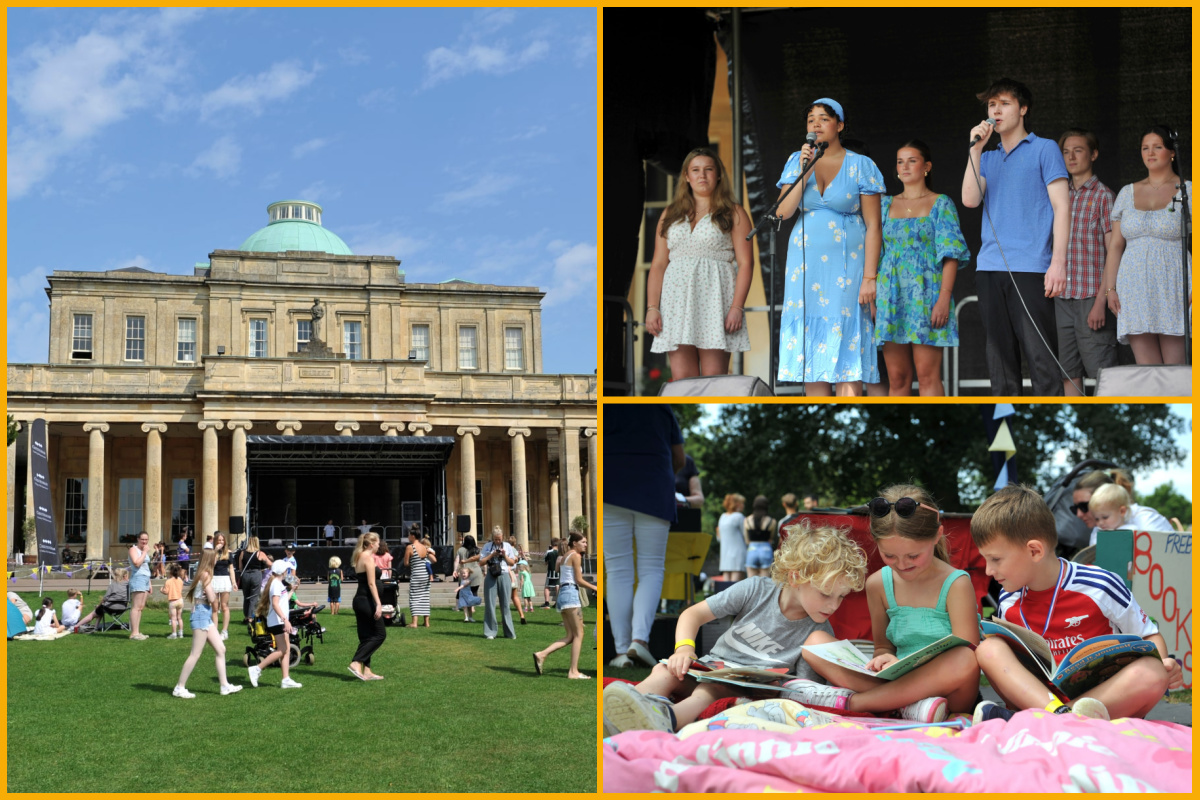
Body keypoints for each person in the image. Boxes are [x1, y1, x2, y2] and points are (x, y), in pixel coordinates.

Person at [602, 522, 868, 734]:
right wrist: (684, 649)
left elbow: (801, 690)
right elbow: (692, 614)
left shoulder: (819, 633)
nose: (834, 605)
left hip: (740, 691)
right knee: (665, 671)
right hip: (708, 668)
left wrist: (776, 689)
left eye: (841, 596)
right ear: (795, 576)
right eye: (825, 593)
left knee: (712, 691)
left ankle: (665, 721)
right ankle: (620, 708)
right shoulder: (756, 589)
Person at [970, 485, 1180, 722]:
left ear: (1035, 551)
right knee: (989, 649)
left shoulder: (1099, 585)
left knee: (1152, 672)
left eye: (995, 559)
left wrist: (1164, 664)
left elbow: (1149, 636)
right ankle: (1061, 718)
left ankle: (1046, 720)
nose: (988, 570)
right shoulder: (1008, 599)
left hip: (1104, 698)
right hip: (1043, 699)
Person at [785, 486, 980, 722]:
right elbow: (883, 648)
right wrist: (885, 658)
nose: (902, 564)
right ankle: (905, 707)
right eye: (890, 556)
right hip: (897, 683)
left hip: (950, 690)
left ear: (937, 535)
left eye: (913, 556)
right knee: (814, 643)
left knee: (964, 658)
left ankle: (856, 703)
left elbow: (968, 654)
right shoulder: (878, 583)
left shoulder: (956, 583)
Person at [962, 77, 1069, 396]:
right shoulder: (988, 157)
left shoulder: (1044, 148)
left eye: (1004, 103)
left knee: (1042, 360)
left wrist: (1058, 263)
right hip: (990, 268)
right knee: (999, 362)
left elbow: (1062, 207)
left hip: (1033, 268)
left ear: (1023, 109)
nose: (996, 110)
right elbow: (969, 199)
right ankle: (1009, 435)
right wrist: (976, 149)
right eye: (991, 105)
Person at [774, 97, 885, 396]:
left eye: (823, 118)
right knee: (811, 345)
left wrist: (869, 277)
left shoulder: (861, 165)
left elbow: (874, 225)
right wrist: (805, 170)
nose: (816, 124)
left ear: (840, 125)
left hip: (848, 265)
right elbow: (782, 213)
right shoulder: (796, 161)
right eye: (811, 119)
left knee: (847, 344)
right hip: (805, 264)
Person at [645, 147, 753, 380]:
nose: (702, 175)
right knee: (682, 381)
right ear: (686, 176)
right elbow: (658, 264)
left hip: (715, 300)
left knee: (714, 379)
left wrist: (737, 307)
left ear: (718, 175)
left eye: (708, 170)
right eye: (695, 170)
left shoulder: (733, 212)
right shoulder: (670, 214)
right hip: (676, 302)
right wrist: (652, 307)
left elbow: (746, 263)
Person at [875, 140, 970, 396]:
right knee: (897, 378)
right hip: (890, 297)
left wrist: (944, 298)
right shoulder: (883, 205)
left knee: (928, 376)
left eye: (912, 160)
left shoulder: (941, 203)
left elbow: (951, 255)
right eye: (899, 161)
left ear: (926, 166)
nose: (904, 166)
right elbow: (875, 254)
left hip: (927, 296)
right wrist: (874, 297)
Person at [1102, 125, 1192, 366]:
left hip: (1174, 284)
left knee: (1176, 370)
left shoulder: (1188, 190)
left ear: (1172, 152)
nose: (1150, 153)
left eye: (1157, 147)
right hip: (1134, 286)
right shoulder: (1127, 192)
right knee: (1148, 370)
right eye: (1145, 148)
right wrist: (1110, 289)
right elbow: (1116, 246)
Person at [604, 405, 682, 668]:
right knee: (651, 568)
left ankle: (620, 651)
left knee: (617, 570)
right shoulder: (660, 408)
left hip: (611, 485)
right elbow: (678, 458)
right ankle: (640, 640)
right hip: (653, 486)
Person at [1056, 129, 1118, 395]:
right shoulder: (1058, 196)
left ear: (1093, 154)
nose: (1071, 157)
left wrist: (1101, 302)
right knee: (1068, 373)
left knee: (1103, 374)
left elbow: (1113, 252)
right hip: (1061, 297)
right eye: (1066, 152)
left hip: (1091, 298)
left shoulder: (1104, 196)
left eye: (1078, 150)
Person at [172, 548, 243, 698]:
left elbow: (211, 598)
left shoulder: (204, 574)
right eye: (215, 557)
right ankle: (179, 687)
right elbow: (212, 599)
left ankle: (224, 686)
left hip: (204, 614)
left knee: (221, 649)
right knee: (195, 654)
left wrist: (211, 595)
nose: (217, 559)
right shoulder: (205, 575)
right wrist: (211, 594)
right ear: (210, 559)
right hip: (201, 615)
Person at [533, 532, 598, 680]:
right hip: (570, 593)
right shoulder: (576, 556)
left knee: (570, 636)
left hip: (563, 593)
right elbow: (579, 580)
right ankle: (573, 671)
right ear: (574, 543)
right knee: (579, 634)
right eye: (583, 542)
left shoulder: (565, 556)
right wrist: (596, 588)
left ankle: (541, 654)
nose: (586, 545)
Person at [1073, 468, 1171, 547]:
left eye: (1084, 506)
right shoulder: (1100, 528)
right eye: (1075, 508)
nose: (1079, 514)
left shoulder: (1146, 520)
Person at [247, 560, 303, 689]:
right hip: (277, 621)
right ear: (282, 571)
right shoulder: (276, 584)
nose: (287, 572)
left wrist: (291, 591)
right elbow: (276, 604)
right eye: (286, 570)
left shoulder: (278, 584)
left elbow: (282, 601)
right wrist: (285, 620)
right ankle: (257, 669)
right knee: (282, 650)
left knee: (286, 649)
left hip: (279, 620)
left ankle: (286, 679)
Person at [348, 532, 385, 681]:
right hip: (366, 601)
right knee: (380, 634)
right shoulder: (367, 558)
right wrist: (378, 604)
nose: (379, 545)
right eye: (377, 543)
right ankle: (356, 662)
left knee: (366, 637)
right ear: (371, 544)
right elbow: (371, 583)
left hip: (360, 600)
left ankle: (367, 671)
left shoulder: (359, 556)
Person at [480, 525, 518, 640]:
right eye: (495, 539)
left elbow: (512, 563)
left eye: (499, 539)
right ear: (492, 538)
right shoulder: (487, 546)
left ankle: (509, 632)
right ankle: (490, 632)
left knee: (505, 604)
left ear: (503, 537)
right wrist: (491, 554)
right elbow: (481, 562)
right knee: (490, 604)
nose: (497, 541)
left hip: (504, 574)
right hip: (491, 575)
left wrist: (504, 555)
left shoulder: (507, 546)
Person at [1089, 483, 1172, 535]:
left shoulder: (1132, 531)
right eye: (1096, 519)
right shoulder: (1097, 533)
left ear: (1122, 511)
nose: (1100, 522)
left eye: (1105, 517)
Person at [403, 525, 434, 628]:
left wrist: (410, 561)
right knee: (425, 597)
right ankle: (426, 622)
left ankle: (414, 623)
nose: (408, 537)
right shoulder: (424, 547)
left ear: (412, 536)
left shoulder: (410, 547)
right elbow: (431, 559)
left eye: (408, 535)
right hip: (425, 575)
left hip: (416, 575)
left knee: (414, 597)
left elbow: (406, 563)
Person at [237, 536, 272, 622]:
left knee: (246, 596)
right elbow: (270, 564)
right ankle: (250, 617)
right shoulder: (260, 553)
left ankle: (246, 616)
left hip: (245, 575)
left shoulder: (242, 553)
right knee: (254, 596)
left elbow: (240, 567)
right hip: (256, 574)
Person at [716, 493, 748, 583]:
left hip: (725, 555)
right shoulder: (739, 517)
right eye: (742, 503)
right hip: (738, 555)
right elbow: (746, 536)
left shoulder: (722, 517)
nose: (743, 505)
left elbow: (719, 538)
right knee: (737, 586)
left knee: (726, 586)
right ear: (738, 504)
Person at [743, 495, 777, 578]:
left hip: (752, 549)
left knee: (751, 583)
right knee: (765, 583)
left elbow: (747, 540)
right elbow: (771, 538)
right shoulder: (772, 521)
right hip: (766, 549)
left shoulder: (747, 520)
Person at [210, 532, 235, 641]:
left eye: (222, 540)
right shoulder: (211, 553)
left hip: (224, 579)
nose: (220, 542)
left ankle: (224, 631)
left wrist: (233, 582)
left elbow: (231, 569)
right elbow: (210, 565)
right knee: (215, 608)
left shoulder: (229, 553)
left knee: (224, 606)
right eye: (219, 540)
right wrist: (215, 551)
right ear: (215, 541)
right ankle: (214, 631)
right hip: (214, 579)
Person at [128, 531, 152, 640]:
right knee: (136, 607)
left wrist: (149, 583)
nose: (144, 542)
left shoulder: (143, 551)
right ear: (138, 539)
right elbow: (137, 563)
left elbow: (146, 567)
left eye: (146, 539)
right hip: (138, 578)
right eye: (142, 539)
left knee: (141, 607)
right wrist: (144, 552)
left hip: (145, 578)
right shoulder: (133, 549)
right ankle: (133, 633)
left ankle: (137, 632)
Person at [456, 534, 484, 609]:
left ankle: (458, 606)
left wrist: (455, 570)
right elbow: (482, 561)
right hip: (476, 572)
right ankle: (472, 607)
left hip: (465, 573)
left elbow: (456, 561)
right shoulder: (477, 550)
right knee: (474, 591)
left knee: (461, 590)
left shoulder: (461, 550)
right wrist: (484, 570)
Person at [161, 564, 185, 639]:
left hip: (173, 601)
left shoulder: (168, 581)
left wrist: (161, 590)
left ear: (170, 572)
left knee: (173, 618)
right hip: (180, 600)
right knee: (179, 618)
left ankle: (174, 633)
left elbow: (166, 591)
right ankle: (181, 633)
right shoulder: (180, 580)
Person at [541, 538, 559, 609]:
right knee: (557, 586)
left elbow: (545, 562)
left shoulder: (548, 552)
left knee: (547, 587)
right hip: (558, 572)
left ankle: (547, 602)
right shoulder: (559, 552)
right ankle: (557, 601)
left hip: (550, 572)